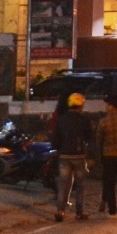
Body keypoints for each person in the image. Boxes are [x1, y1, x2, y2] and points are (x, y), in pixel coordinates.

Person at [49, 93, 93, 222]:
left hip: (64, 156)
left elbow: (55, 139)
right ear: (81, 105)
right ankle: (79, 212)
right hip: (79, 156)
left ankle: (60, 211)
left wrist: (59, 149)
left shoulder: (61, 119)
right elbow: (89, 137)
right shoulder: (84, 119)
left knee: (64, 184)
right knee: (80, 185)